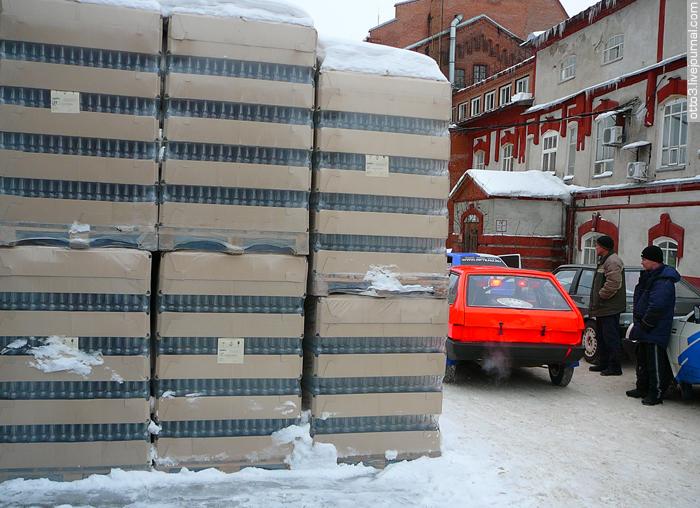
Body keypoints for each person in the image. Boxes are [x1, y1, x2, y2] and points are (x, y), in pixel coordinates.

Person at [626, 245, 679, 406]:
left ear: (653, 261)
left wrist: (646, 324)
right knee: (642, 359)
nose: (642, 262)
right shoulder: (650, 276)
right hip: (644, 326)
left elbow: (657, 305)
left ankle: (655, 393)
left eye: (644, 259)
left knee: (654, 363)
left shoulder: (663, 280)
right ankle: (642, 388)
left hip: (654, 328)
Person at [588, 235, 626, 376]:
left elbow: (613, 284)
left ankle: (615, 367)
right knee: (602, 337)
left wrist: (600, 296)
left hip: (610, 307)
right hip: (603, 307)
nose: (595, 248)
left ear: (604, 247)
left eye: (597, 245)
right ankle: (603, 363)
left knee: (611, 338)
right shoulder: (605, 260)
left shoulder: (613, 261)